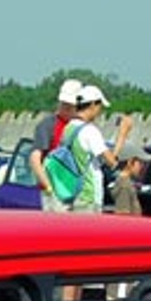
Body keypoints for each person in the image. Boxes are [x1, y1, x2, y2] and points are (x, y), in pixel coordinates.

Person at [60, 86, 126, 214]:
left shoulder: (68, 128)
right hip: (88, 196)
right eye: (99, 106)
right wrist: (122, 134)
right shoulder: (90, 131)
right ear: (92, 105)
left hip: (71, 193)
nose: (99, 112)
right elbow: (111, 162)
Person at [30, 78, 82, 214]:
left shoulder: (81, 127)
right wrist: (48, 187)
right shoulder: (47, 125)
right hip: (54, 191)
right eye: (64, 104)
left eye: (70, 105)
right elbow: (35, 158)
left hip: (77, 191)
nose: (66, 108)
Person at [111, 141, 147, 215]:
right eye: (140, 162)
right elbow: (122, 215)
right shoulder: (124, 185)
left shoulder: (126, 182)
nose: (142, 166)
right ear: (130, 162)